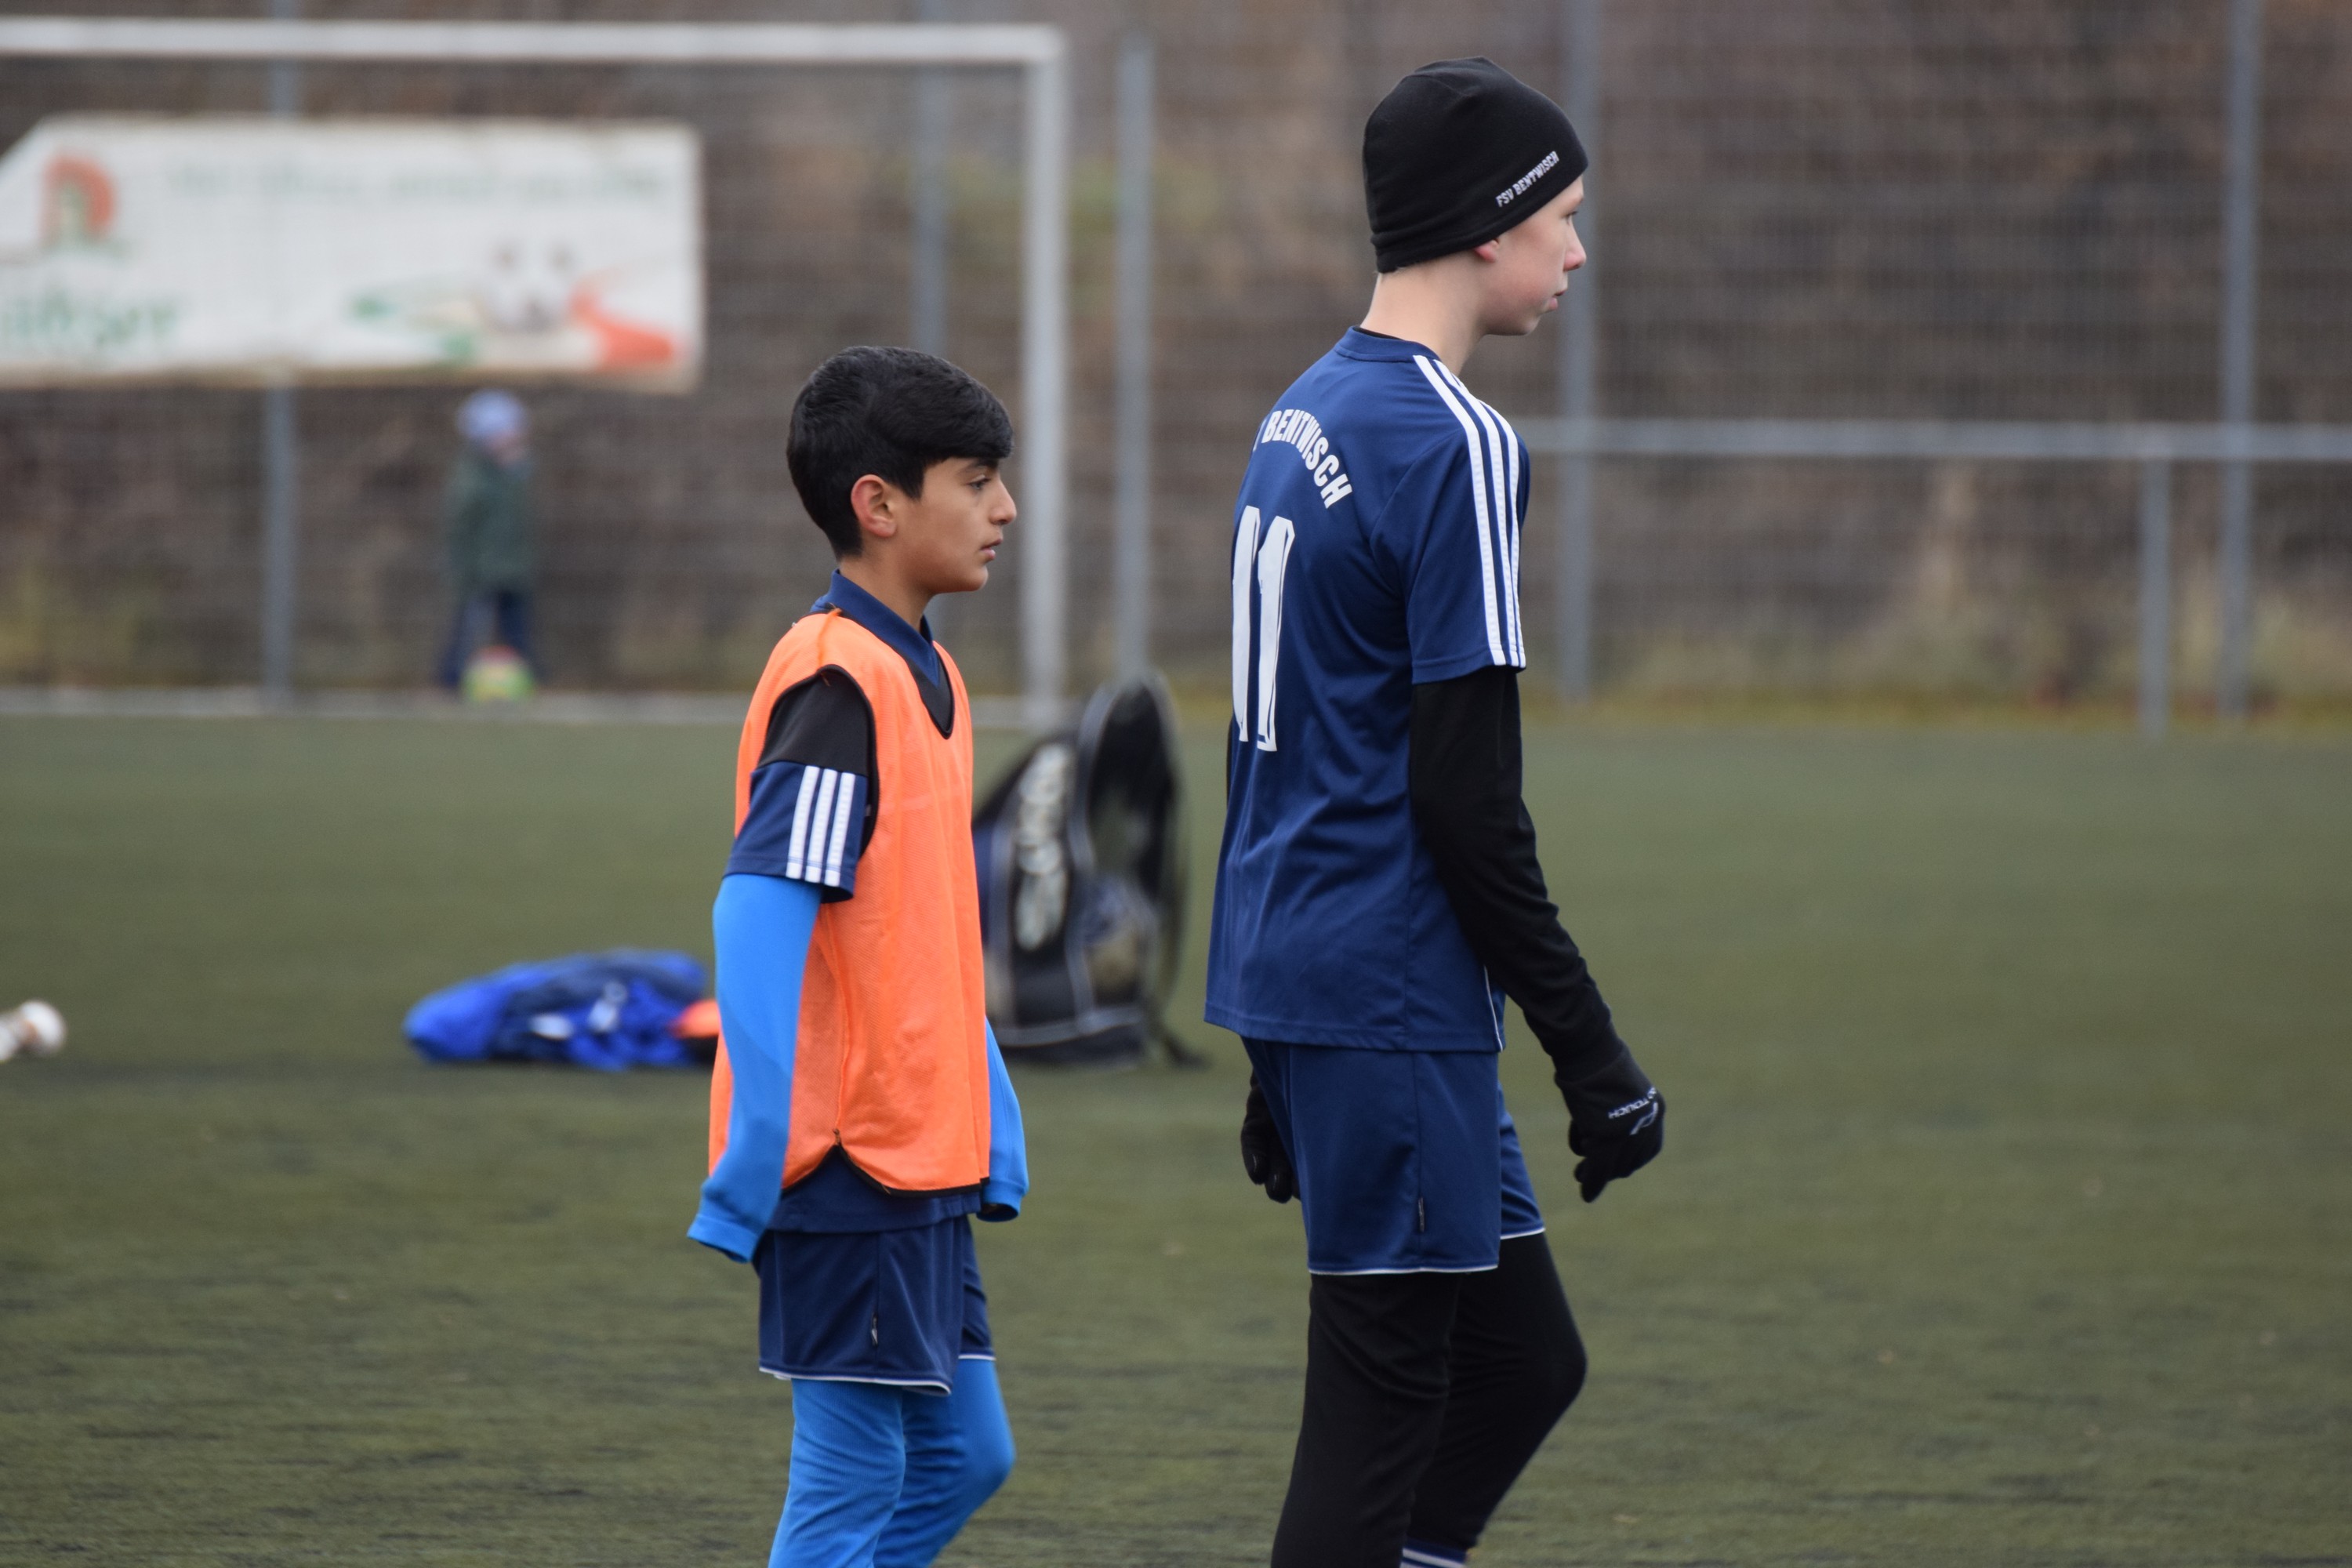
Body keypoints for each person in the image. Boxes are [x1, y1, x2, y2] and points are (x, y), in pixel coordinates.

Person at [1207, 58, 1668, 1568]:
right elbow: (1469, 804)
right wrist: (1591, 1053)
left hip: (1312, 978)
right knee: (1382, 1405)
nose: (1578, 251)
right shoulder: (1453, 443)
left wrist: (1267, 1035)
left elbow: (1266, 752)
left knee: (1524, 1363)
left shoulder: (1301, 413)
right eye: (1563, 217)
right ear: (1489, 225)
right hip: (1386, 995)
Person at [689, 346, 1028, 1568]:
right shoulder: (839, 683)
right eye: (976, 482)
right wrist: (761, 1137)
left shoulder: (926, 670)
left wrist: (989, 1103)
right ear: (878, 504)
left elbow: (919, 932)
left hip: (920, 1154)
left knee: (965, 1455)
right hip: (848, 1165)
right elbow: (760, 906)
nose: (1005, 509)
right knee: (853, 1480)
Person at [436, 388, 539, 689]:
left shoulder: (513, 472)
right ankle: (451, 680)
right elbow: (460, 530)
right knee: (468, 629)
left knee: (517, 630)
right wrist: (464, 570)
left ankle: (525, 680)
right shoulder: (473, 479)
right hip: (480, 572)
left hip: (512, 569)